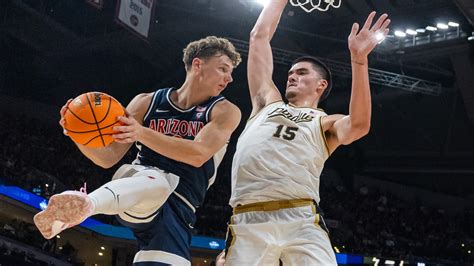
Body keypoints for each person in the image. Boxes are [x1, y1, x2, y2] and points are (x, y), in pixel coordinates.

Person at [34, 36, 242, 265]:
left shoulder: (225, 111)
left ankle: (79, 209)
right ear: (198, 64)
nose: (229, 78)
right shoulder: (146, 102)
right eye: (223, 69)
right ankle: (85, 204)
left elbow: (198, 154)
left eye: (230, 72)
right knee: (157, 182)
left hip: (180, 209)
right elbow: (108, 157)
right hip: (138, 186)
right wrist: (76, 132)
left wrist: (140, 133)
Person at [224, 1, 390, 265]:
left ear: (321, 85)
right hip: (248, 217)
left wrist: (359, 61)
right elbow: (259, 37)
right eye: (290, 73)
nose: (291, 76)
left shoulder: (325, 122)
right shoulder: (267, 102)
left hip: (300, 217)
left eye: (301, 73)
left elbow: (359, 125)